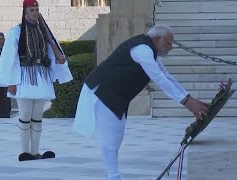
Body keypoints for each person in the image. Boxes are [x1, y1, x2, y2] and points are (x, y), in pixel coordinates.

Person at [73, 24, 209, 179]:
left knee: (115, 136)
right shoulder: (142, 50)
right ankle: (114, 176)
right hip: (102, 92)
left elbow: (166, 76)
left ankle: (114, 175)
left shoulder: (150, 51)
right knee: (110, 137)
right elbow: (159, 78)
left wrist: (190, 98)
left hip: (116, 95)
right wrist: (187, 103)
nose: (171, 47)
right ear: (157, 39)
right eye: (168, 43)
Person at [0, 0, 73, 161]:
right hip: (23, 76)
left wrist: (59, 60)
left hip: (41, 76)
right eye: (31, 10)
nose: (35, 13)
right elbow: (9, 57)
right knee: (25, 114)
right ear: (25, 12)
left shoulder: (44, 31)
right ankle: (25, 152)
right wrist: (10, 81)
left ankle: (35, 152)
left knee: (37, 116)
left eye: (36, 9)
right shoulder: (17, 31)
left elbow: (53, 50)